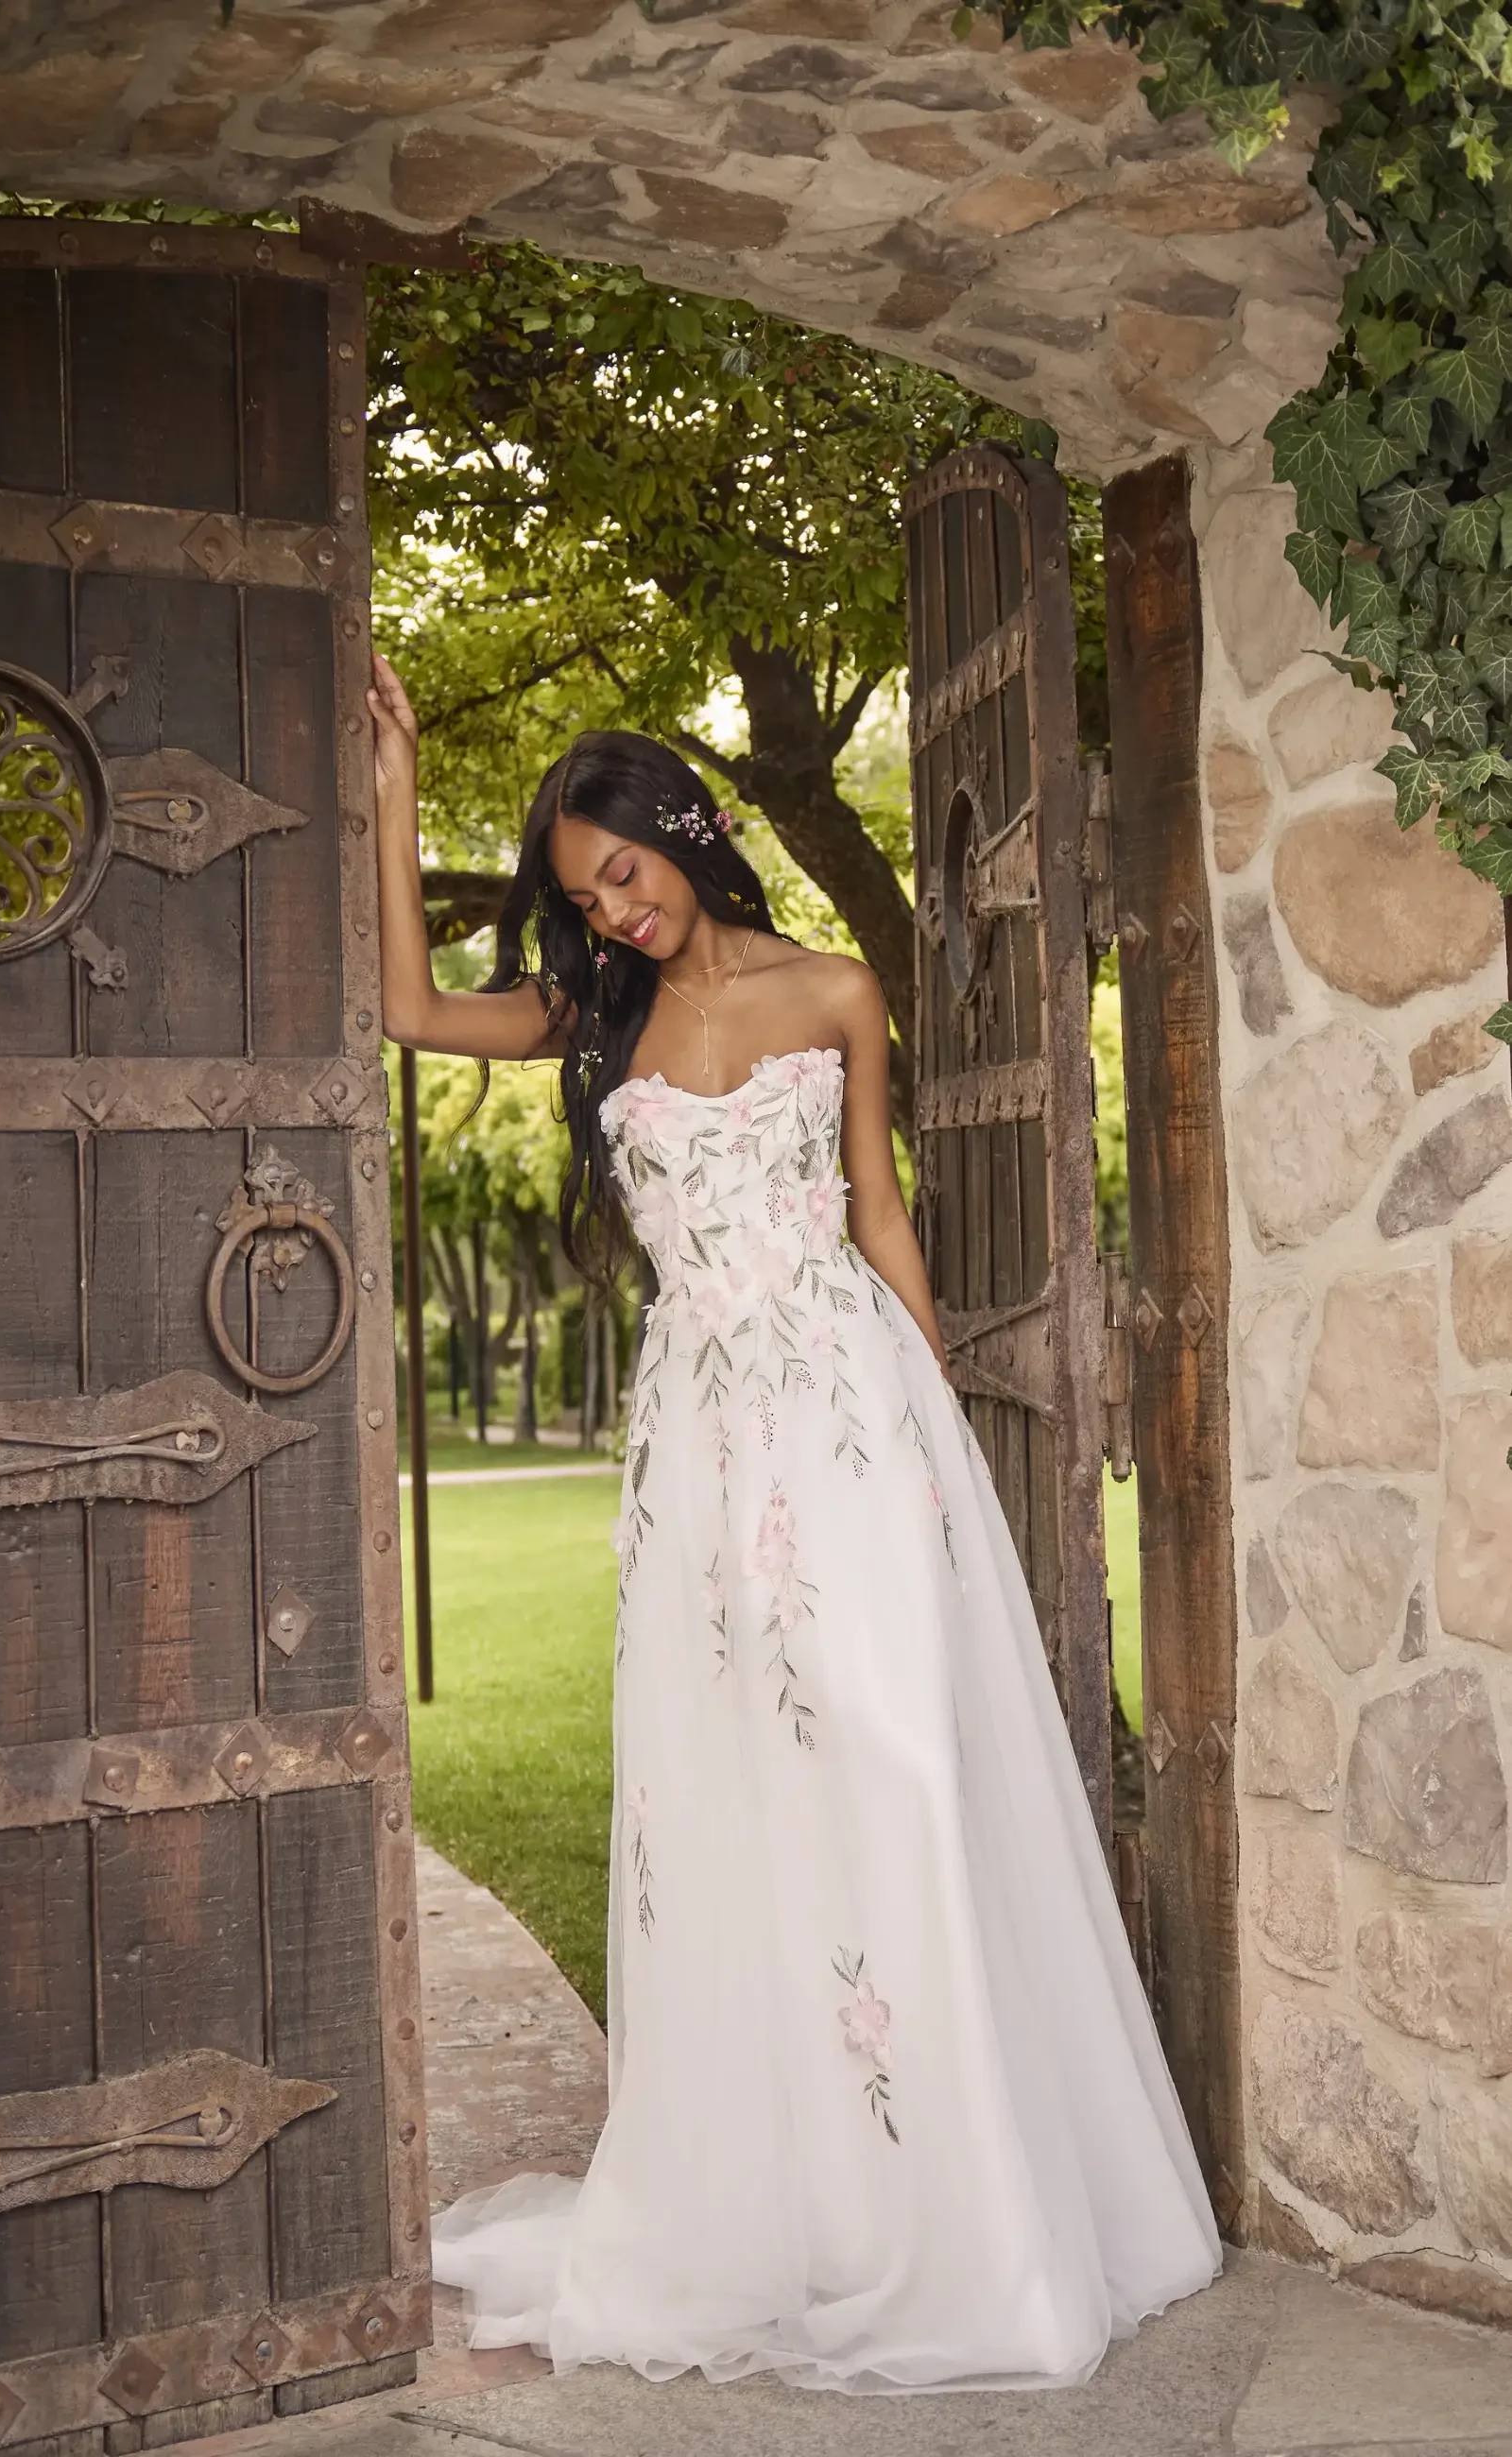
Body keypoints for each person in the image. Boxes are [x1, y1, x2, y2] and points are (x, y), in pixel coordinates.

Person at [370, 654, 1221, 2397]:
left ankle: (965, 2197)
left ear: (683, 831)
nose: (614, 906)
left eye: (627, 867)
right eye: (584, 887)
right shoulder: (590, 1016)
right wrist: (392, 792)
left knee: (897, 1761)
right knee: (740, 1791)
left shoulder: (837, 988)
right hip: (694, 1443)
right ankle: (788, 2198)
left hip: (841, 1411)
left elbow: (882, 1216)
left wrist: (932, 1433)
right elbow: (405, 1010)